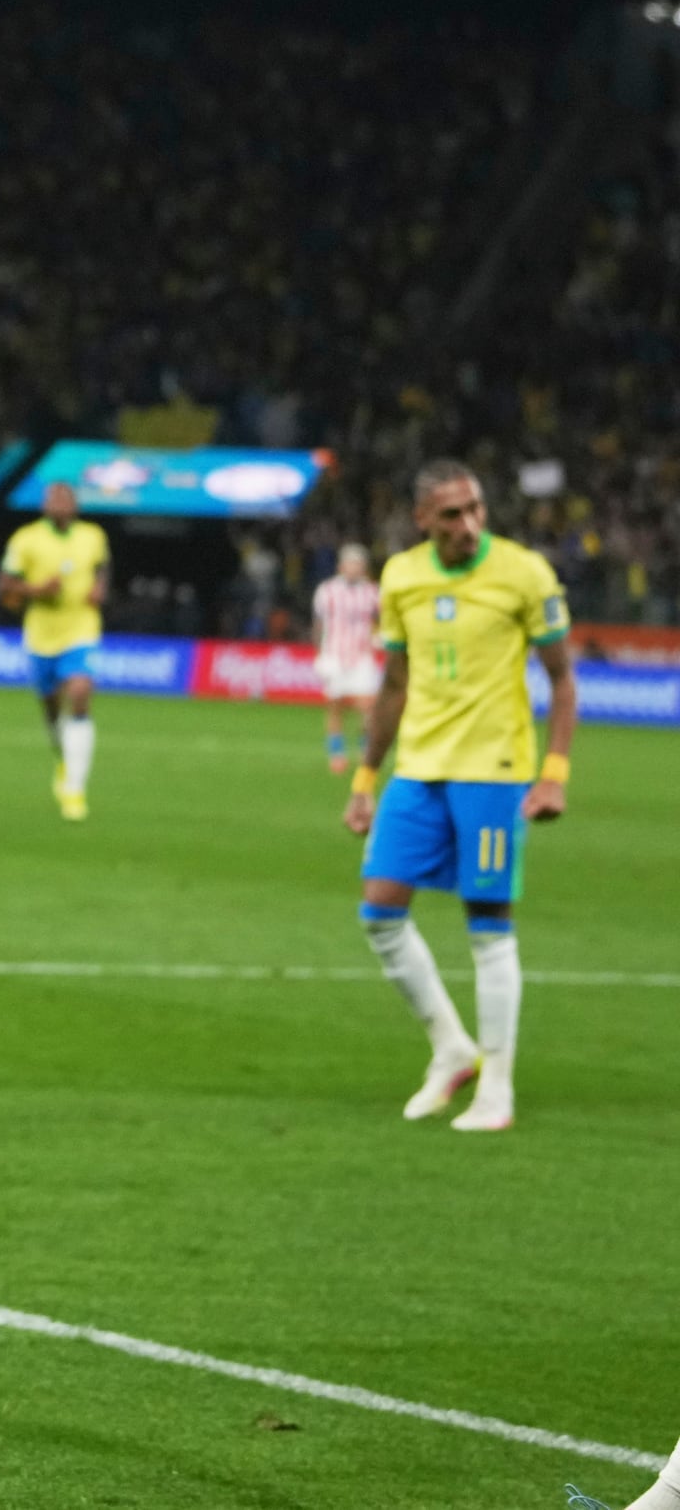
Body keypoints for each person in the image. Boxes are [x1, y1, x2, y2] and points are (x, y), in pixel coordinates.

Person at [342, 462, 575, 1133]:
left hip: (493, 770)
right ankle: (451, 1047)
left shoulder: (524, 573)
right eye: (451, 513)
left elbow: (562, 680)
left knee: (488, 925)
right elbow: (393, 685)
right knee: (380, 911)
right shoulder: (401, 576)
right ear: (422, 519)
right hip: (417, 767)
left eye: (475, 507)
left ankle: (496, 1087)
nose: (468, 523)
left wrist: (553, 770)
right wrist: (364, 777)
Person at [0, 481, 110, 820]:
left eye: (65, 498)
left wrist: (100, 588)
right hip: (42, 633)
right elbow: (4, 584)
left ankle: (74, 786)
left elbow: (102, 568)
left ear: (75, 505)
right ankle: (63, 758)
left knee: (81, 690)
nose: (59, 504)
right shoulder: (26, 539)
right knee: (51, 707)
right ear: (44, 505)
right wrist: (35, 589)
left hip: (82, 628)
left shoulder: (93, 536)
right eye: (52, 499)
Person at [311, 542, 381, 773]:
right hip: (334, 654)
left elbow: (377, 621)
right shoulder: (327, 591)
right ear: (341, 566)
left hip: (361, 655)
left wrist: (376, 640)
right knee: (335, 706)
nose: (354, 568)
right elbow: (319, 624)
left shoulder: (372, 592)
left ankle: (365, 751)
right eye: (350, 563)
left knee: (368, 706)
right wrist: (319, 654)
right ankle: (337, 752)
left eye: (358, 564)